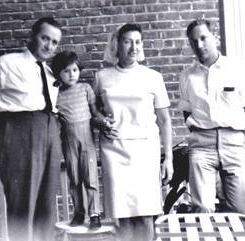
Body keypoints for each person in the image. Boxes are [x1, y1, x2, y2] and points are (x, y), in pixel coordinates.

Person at [0, 17, 62, 241]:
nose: (49, 46)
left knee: (46, 204)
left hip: (50, 132)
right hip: (18, 135)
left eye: (54, 42)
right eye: (45, 38)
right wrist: (0, 133)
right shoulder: (7, 63)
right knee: (22, 204)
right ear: (32, 36)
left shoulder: (50, 72)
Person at [94, 23, 173, 241]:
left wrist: (169, 159)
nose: (133, 47)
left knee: (146, 216)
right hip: (114, 151)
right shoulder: (102, 77)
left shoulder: (153, 77)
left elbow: (165, 120)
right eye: (127, 41)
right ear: (117, 44)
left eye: (137, 42)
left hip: (145, 151)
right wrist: (100, 122)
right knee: (122, 217)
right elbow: (92, 114)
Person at [178, 19, 245, 214]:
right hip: (202, 145)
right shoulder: (187, 76)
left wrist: (238, 134)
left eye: (204, 38)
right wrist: (201, 133)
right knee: (202, 207)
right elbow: (186, 111)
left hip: (234, 143)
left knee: (239, 211)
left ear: (215, 37)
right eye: (193, 41)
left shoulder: (236, 68)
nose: (199, 45)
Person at [51, 51, 106, 230]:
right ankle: (79, 212)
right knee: (74, 178)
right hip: (67, 139)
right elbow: (54, 119)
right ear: (58, 73)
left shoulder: (85, 89)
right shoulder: (55, 94)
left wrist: (104, 121)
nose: (72, 74)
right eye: (66, 71)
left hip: (87, 138)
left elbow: (95, 112)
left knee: (90, 177)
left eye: (75, 70)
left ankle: (94, 214)